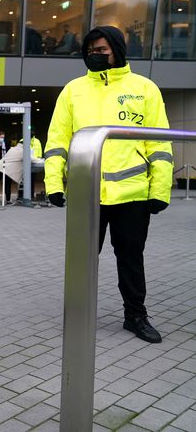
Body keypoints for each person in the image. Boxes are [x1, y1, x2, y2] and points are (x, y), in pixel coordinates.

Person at [44, 25, 172, 343]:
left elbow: (160, 144)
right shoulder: (73, 91)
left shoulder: (145, 89)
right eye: (90, 50)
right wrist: (53, 183)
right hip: (87, 195)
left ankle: (136, 316)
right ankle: (78, 313)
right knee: (82, 259)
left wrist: (160, 189)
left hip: (132, 196)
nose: (94, 55)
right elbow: (58, 141)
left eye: (101, 50)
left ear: (116, 49)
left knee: (130, 258)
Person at [0, 131, 13, 203]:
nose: (2, 139)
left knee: (8, 182)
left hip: (6, 165)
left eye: (3, 137)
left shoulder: (6, 144)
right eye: (1, 137)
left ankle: (8, 198)